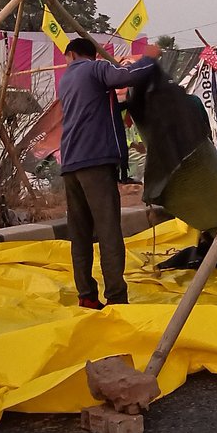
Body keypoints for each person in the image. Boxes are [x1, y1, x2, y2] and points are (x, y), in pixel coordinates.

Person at [58, 38, 160, 308]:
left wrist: (121, 108)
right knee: (108, 231)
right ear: (90, 55)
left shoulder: (66, 80)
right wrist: (149, 58)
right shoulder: (94, 69)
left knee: (79, 234)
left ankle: (86, 295)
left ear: (70, 54)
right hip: (95, 162)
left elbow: (97, 109)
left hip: (70, 164)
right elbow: (129, 76)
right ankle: (116, 297)